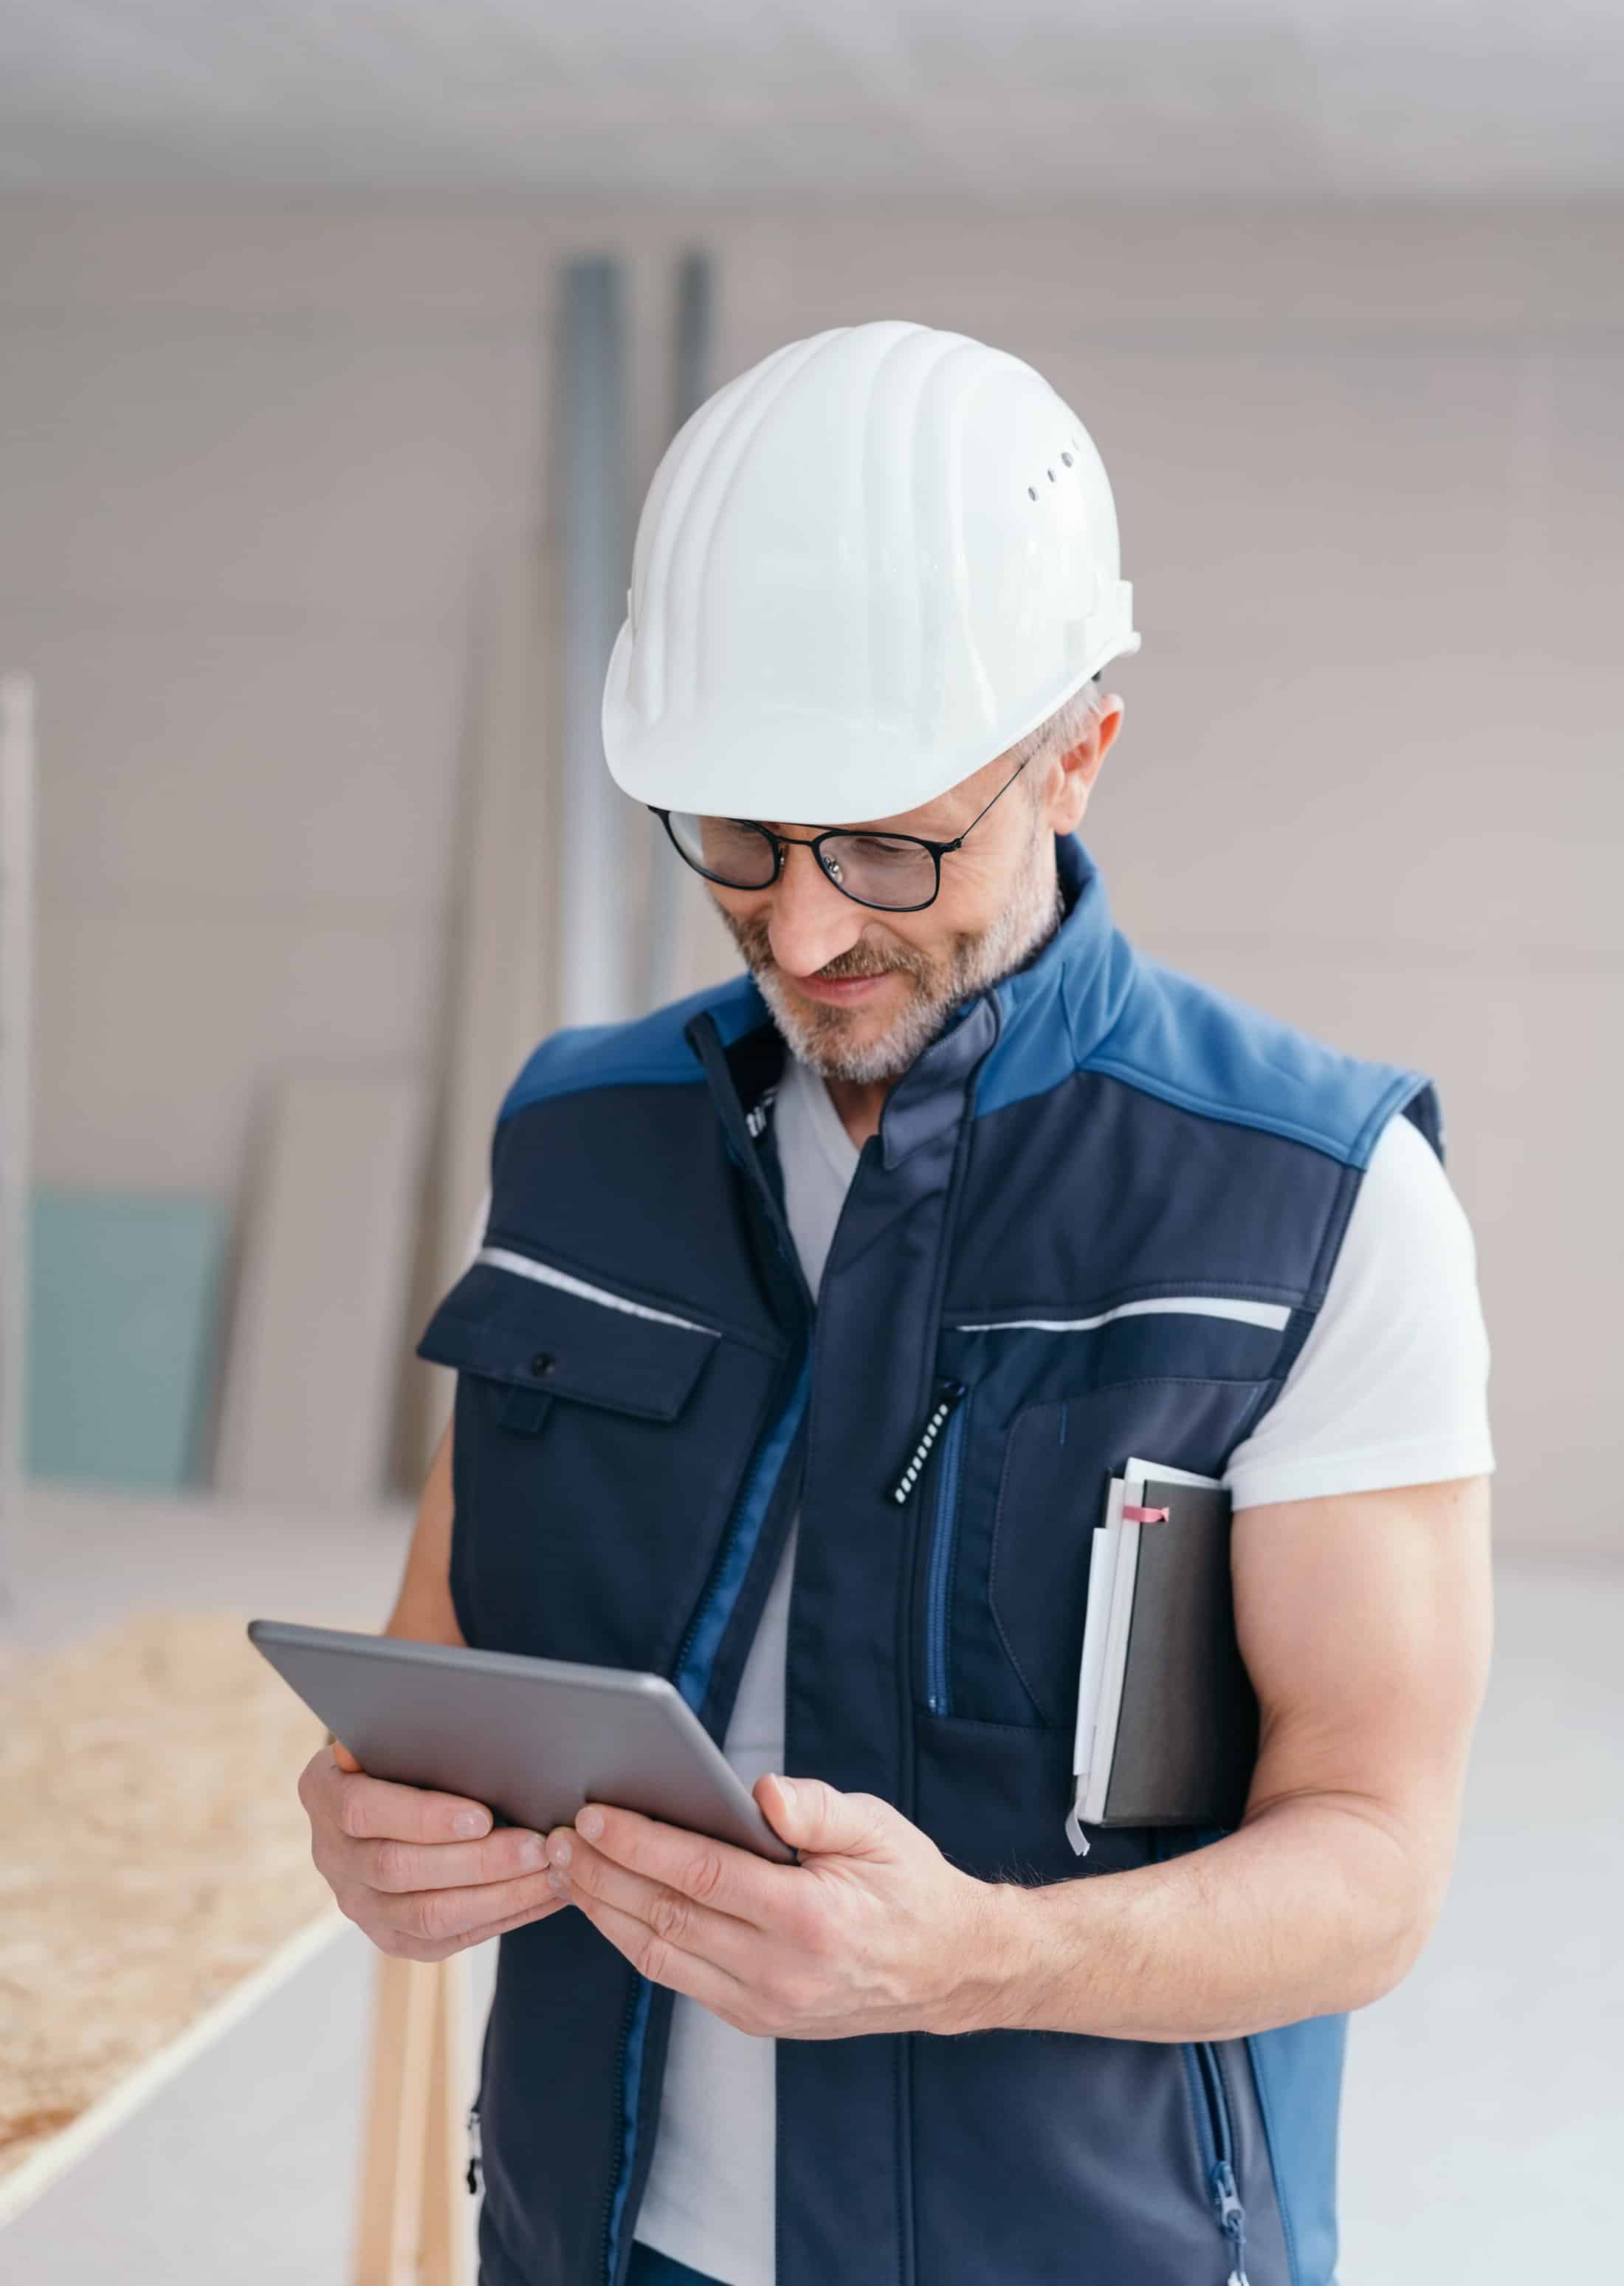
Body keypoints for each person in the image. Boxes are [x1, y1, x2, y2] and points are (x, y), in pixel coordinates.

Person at [299, 320, 1493, 2286]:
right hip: (596, 2241)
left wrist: (981, 1959)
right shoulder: (582, 1135)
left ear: (1076, 756)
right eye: (741, 837)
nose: (805, 924)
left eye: (886, 841)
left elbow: (1373, 1860)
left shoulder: (1311, 1198)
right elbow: (440, 1652)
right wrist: (375, 1830)